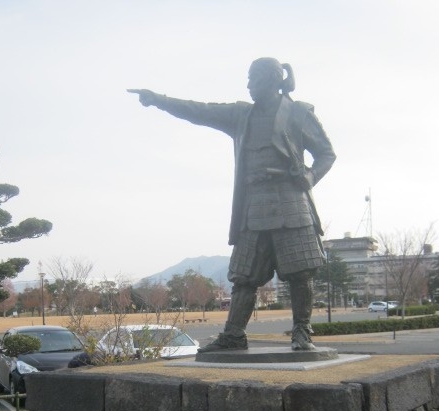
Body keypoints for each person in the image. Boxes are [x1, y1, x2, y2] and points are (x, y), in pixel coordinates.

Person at [128, 57, 336, 351]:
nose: (248, 85)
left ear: (271, 80)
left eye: (253, 78)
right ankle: (234, 334)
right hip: (253, 207)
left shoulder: (298, 113)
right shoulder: (241, 115)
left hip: (292, 204)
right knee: (244, 276)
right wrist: (158, 100)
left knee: (301, 274)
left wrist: (311, 175)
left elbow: (326, 153)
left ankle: (302, 332)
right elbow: (199, 111)